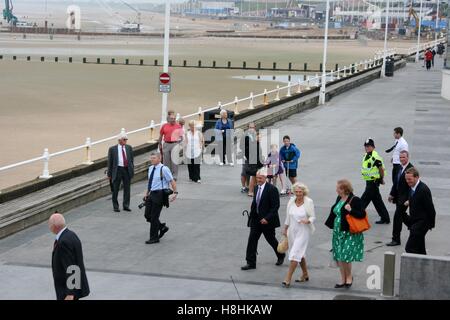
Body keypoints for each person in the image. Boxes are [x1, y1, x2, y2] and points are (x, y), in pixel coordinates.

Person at [242, 168, 285, 270]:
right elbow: (255, 203)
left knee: (271, 240)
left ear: (265, 177)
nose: (258, 180)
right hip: (256, 220)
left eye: (260, 178)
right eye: (257, 178)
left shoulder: (272, 189)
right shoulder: (256, 188)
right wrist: (252, 216)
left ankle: (281, 255)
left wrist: (267, 218)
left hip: (267, 221)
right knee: (251, 241)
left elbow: (275, 207)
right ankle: (251, 262)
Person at [325, 179, 365, 289]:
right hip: (338, 232)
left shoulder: (355, 199)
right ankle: (343, 279)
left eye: (338, 188)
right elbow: (335, 211)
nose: (336, 190)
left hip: (349, 232)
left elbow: (362, 214)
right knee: (339, 256)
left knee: (345, 256)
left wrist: (351, 210)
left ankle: (349, 277)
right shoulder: (339, 198)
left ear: (343, 189)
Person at [49, 213, 90, 300]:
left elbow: (71, 267)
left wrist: (70, 293)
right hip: (71, 287)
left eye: (49, 224)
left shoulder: (63, 242)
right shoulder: (71, 235)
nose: (49, 226)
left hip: (66, 289)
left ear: (54, 226)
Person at [281, 183, 315, 287]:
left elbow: (313, 216)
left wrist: (308, 221)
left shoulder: (308, 201)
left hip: (303, 231)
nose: (298, 193)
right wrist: (285, 228)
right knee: (300, 253)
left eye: (300, 192)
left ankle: (287, 278)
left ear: (304, 192)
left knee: (294, 254)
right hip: (292, 231)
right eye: (296, 192)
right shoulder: (291, 201)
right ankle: (305, 274)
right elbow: (288, 216)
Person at [144, 152, 178, 244]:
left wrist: (175, 193)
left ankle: (154, 237)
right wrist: (147, 193)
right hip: (151, 194)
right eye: (151, 158)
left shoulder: (164, 169)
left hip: (159, 194)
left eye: (154, 158)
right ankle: (162, 227)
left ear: (159, 158)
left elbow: (171, 180)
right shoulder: (151, 168)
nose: (152, 160)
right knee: (147, 215)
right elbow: (150, 182)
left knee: (154, 217)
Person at [404, 168, 436, 255]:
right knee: (420, 248)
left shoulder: (423, 190)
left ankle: (413, 266)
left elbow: (431, 209)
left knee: (410, 248)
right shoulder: (412, 187)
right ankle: (424, 264)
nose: (407, 181)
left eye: (409, 179)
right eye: (406, 179)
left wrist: (431, 224)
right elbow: (415, 199)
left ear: (417, 177)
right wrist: (409, 202)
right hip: (415, 221)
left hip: (422, 223)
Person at [387, 150, 414, 246]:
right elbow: (396, 183)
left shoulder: (410, 169)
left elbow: (412, 187)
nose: (402, 159)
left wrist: (409, 200)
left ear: (408, 158)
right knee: (402, 215)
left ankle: (396, 239)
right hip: (398, 197)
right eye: (401, 157)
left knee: (397, 217)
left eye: (404, 157)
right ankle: (413, 226)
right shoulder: (399, 167)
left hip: (405, 199)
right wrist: (391, 194)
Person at [360, 138, 390, 224]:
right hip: (369, 181)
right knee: (377, 201)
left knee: (363, 201)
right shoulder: (366, 155)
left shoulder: (375, 157)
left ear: (373, 147)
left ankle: (356, 216)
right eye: (366, 146)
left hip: (373, 182)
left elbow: (381, 169)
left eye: (369, 146)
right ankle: (385, 218)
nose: (367, 148)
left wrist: (381, 179)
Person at [107, 133, 135, 212]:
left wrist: (132, 169)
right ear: (119, 140)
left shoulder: (129, 148)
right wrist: (109, 174)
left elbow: (131, 160)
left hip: (127, 170)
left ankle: (126, 205)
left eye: (126, 139)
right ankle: (116, 206)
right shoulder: (112, 149)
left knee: (127, 189)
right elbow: (110, 162)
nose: (126, 141)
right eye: (124, 139)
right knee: (115, 189)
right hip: (117, 170)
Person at [158, 111, 183, 181]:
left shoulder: (178, 126)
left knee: (174, 161)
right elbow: (160, 136)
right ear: (169, 119)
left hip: (175, 144)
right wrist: (159, 144)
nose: (173, 120)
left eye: (174, 118)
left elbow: (181, 137)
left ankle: (174, 176)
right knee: (166, 161)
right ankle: (166, 174)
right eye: (172, 118)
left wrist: (179, 144)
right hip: (166, 144)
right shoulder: (164, 126)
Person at [243, 130, 263, 197]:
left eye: (260, 137)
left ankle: (253, 191)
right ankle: (250, 191)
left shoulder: (256, 143)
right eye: (259, 137)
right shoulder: (254, 143)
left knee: (255, 178)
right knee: (254, 177)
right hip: (254, 163)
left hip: (257, 162)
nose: (260, 138)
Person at [239, 123, 256, 193]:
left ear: (255, 127)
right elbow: (241, 146)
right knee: (244, 172)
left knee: (252, 172)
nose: (251, 128)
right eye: (250, 127)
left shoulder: (255, 135)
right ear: (248, 128)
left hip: (254, 156)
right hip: (246, 156)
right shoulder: (244, 135)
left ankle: (248, 185)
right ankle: (244, 187)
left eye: (253, 127)